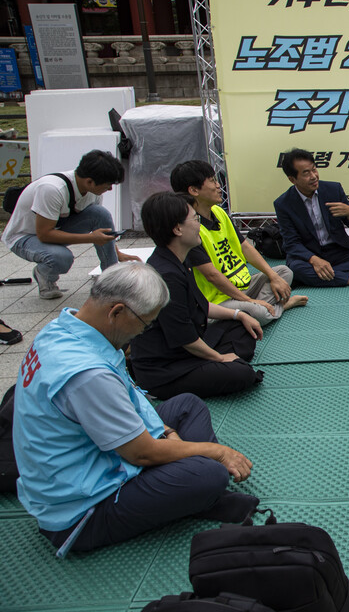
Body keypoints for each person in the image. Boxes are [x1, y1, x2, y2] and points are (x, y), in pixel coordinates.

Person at [13, 261, 258, 554]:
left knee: (186, 405)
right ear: (117, 311)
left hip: (95, 454)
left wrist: (167, 433)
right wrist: (216, 452)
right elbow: (141, 452)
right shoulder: (87, 375)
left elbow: (132, 397)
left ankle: (187, 489)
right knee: (211, 473)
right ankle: (196, 493)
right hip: (84, 508)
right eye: (144, 323)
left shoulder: (63, 329)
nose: (143, 333)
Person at [130, 192, 263, 400]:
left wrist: (239, 314)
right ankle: (215, 363)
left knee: (241, 327)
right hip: (167, 368)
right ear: (177, 229)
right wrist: (219, 358)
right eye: (195, 219)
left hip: (188, 346)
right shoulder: (166, 276)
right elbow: (185, 339)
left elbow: (201, 306)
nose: (199, 225)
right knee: (243, 374)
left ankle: (217, 361)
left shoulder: (178, 260)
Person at [170, 160, 307, 325]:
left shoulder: (219, 212)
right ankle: (279, 307)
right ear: (193, 190)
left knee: (284, 272)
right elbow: (212, 276)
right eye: (212, 181)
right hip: (217, 299)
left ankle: (264, 308)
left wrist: (272, 276)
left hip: (243, 286)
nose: (218, 185)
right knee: (257, 311)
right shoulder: (189, 230)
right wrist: (250, 302)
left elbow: (246, 247)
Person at [1, 149, 139, 299]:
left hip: (55, 228)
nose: (110, 189)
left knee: (100, 213)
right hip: (24, 237)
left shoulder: (92, 191)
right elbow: (44, 234)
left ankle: (111, 279)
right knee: (61, 258)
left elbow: (101, 228)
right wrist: (92, 238)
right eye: (107, 185)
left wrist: (117, 254)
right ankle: (44, 276)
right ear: (89, 181)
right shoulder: (52, 189)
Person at [274, 149, 349, 288]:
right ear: (292, 179)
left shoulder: (333, 189)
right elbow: (291, 243)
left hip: (336, 250)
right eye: (306, 173)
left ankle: (315, 277)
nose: (314, 176)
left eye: (314, 170)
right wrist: (314, 260)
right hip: (308, 254)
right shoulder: (283, 203)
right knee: (295, 268)